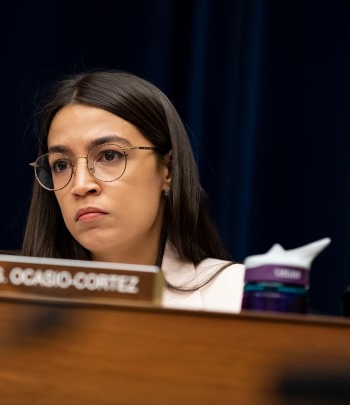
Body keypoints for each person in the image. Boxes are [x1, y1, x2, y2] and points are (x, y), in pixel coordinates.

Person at [21, 69, 244, 313]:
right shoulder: (5, 301)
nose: (81, 185)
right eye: (61, 165)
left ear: (167, 170)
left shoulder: (235, 296)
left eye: (109, 155)